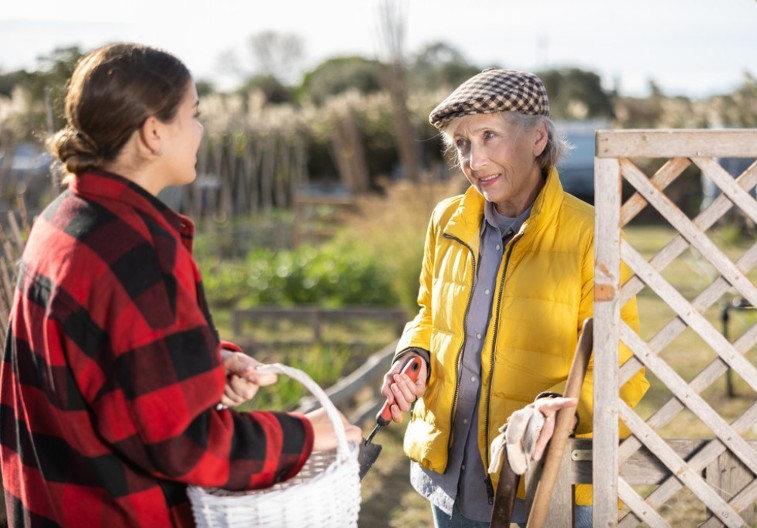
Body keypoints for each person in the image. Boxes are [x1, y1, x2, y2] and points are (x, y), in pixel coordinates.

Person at [0, 43, 361, 528]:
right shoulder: (139, 252)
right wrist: (310, 434)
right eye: (193, 114)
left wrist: (206, 366)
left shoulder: (60, 221)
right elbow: (187, 445)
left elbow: (101, 363)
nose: (201, 130)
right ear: (153, 133)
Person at [380, 68, 649, 527]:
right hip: (450, 477)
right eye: (462, 143)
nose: (474, 159)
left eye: (489, 136)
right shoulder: (447, 220)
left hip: (545, 483)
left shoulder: (592, 234)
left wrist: (555, 414)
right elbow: (429, 312)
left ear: (538, 138)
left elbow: (621, 368)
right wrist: (415, 354)